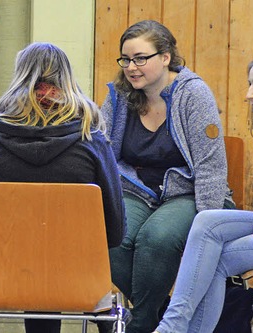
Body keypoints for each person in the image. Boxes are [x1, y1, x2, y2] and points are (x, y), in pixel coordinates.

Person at [0, 42, 125, 333]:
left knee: (34, 255)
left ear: (20, 76)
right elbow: (115, 227)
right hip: (80, 275)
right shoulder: (89, 134)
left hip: (3, 271)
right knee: (71, 256)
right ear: (66, 79)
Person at [154, 48, 253, 333]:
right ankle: (171, 328)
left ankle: (170, 329)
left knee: (221, 257)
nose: (249, 94)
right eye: (250, 85)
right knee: (209, 221)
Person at [99, 20, 231, 333]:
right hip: (135, 189)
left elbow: (211, 164)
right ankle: (155, 316)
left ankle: (140, 325)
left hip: (186, 191)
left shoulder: (193, 94)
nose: (131, 67)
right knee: (111, 236)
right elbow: (102, 151)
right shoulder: (119, 95)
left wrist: (209, 224)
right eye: (126, 59)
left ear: (166, 57)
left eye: (141, 58)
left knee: (156, 239)